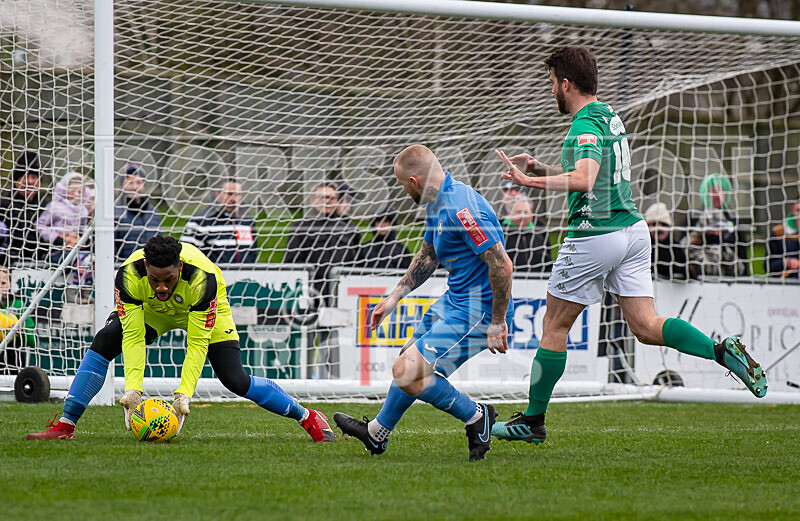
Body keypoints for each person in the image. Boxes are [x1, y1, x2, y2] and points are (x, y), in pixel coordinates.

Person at [492, 46, 766, 444]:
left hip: (594, 234)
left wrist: (529, 182)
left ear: (566, 83)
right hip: (634, 232)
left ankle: (532, 422)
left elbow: (584, 180)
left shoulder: (584, 122)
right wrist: (541, 167)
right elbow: (593, 176)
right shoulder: (609, 115)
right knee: (646, 325)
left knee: (554, 325)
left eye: (552, 82)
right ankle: (721, 351)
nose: (552, 89)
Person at [26, 235, 335, 442]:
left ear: (181, 268)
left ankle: (306, 415)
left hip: (197, 309)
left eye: (169, 279)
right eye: (155, 279)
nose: (161, 286)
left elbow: (197, 343)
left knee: (235, 379)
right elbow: (133, 337)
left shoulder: (203, 282)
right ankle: (66, 425)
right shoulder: (129, 277)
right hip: (153, 312)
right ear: (145, 267)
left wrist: (183, 394)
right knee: (107, 339)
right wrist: (134, 389)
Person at [333, 145, 514, 461]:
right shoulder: (437, 202)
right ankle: (377, 434)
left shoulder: (462, 209)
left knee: (407, 371)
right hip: (454, 300)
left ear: (414, 181)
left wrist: (497, 321)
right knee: (407, 361)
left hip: (477, 309)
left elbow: (502, 264)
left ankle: (476, 416)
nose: (403, 191)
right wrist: (394, 297)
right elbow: (429, 255)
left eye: (402, 184)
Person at [284, 182, 355, 297]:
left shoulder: (349, 229)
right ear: (312, 201)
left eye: (331, 198)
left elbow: (354, 261)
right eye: (322, 197)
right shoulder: (301, 226)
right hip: (310, 291)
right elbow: (291, 260)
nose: (326, 201)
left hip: (341, 291)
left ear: (337, 202)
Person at [681, 173, 748, 277]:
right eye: (712, 191)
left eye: (720, 190)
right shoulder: (693, 218)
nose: (717, 195)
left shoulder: (735, 220)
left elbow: (743, 255)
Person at [181, 179, 258, 264]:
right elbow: (187, 254)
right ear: (217, 194)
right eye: (229, 194)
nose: (234, 199)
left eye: (237, 194)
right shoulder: (201, 220)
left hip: (244, 275)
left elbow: (252, 252)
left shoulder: (247, 220)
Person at [0, 151, 50, 265]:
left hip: (44, 263)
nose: (30, 182)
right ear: (16, 181)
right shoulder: (4, 205)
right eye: (25, 177)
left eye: (33, 177)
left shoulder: (47, 206)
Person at [36, 171, 92, 263]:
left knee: (87, 259)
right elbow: (40, 225)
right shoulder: (55, 206)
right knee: (73, 259)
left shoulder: (83, 211)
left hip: (76, 248)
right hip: (56, 250)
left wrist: (83, 240)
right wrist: (57, 239)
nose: (75, 194)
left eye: (79, 192)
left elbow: (83, 228)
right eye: (72, 191)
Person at [115, 161, 162, 261]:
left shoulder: (153, 212)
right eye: (130, 183)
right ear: (122, 186)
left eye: (139, 182)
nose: (135, 187)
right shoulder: (115, 212)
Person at [501, 193, 552, 273]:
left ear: (531, 214)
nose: (522, 216)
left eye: (526, 212)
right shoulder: (502, 231)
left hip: (538, 279)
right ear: (509, 213)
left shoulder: (540, 230)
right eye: (518, 212)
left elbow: (548, 255)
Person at [643, 202, 694, 280]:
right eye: (654, 224)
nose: (659, 228)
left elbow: (692, 274)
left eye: (663, 224)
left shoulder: (675, 249)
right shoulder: (642, 248)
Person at [0, 267, 35, 374]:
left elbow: (32, 339)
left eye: (3, 283)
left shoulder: (18, 304)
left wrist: (22, 333)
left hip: (12, 359)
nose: (0, 287)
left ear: (10, 284)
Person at [356, 204, 412, 270]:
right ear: (374, 224)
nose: (382, 225)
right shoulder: (364, 248)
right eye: (379, 221)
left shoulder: (401, 250)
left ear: (391, 224)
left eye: (385, 221)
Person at [765, 197, 800, 279]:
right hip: (786, 284)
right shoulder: (779, 233)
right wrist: (786, 262)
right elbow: (768, 267)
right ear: (793, 210)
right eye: (798, 210)